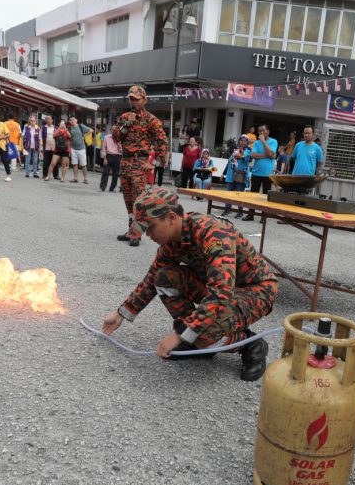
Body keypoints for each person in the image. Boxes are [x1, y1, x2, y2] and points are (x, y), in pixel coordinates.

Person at [101, 187, 277, 382]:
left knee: (201, 330)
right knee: (163, 277)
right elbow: (152, 279)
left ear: (171, 217)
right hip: (219, 290)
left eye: (150, 227)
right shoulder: (170, 241)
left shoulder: (212, 233)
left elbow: (221, 293)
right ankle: (200, 341)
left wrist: (181, 334)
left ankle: (250, 343)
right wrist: (121, 313)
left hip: (256, 290)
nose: (147, 235)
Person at [112, 85, 168, 247]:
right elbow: (116, 138)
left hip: (139, 163)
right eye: (131, 98)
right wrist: (126, 126)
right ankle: (131, 230)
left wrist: (155, 163)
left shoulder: (151, 120)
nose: (133, 102)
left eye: (136, 99)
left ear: (145, 100)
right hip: (125, 162)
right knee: (128, 199)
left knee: (139, 200)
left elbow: (162, 142)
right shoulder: (124, 117)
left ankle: (136, 233)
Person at [243, 124, 277, 221]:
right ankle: (251, 214)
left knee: (266, 195)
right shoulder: (256, 143)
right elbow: (253, 155)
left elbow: (271, 153)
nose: (261, 133)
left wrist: (263, 141)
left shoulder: (273, 141)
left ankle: (264, 216)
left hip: (268, 173)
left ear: (268, 131)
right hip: (256, 172)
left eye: (263, 130)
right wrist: (267, 155)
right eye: (260, 131)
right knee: (253, 195)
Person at [222, 135, 251, 217]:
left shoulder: (248, 151)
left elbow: (244, 157)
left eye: (245, 141)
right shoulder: (235, 150)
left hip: (241, 175)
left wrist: (240, 155)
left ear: (247, 143)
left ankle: (240, 212)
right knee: (229, 193)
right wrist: (223, 173)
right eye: (241, 140)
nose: (242, 142)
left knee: (239, 194)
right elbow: (230, 161)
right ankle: (227, 210)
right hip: (231, 174)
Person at [66, 116, 92, 183]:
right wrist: (65, 130)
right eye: (70, 120)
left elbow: (91, 130)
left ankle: (85, 179)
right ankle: (75, 178)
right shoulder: (69, 128)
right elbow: (70, 137)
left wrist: (85, 135)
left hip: (81, 148)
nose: (72, 121)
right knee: (75, 164)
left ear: (76, 120)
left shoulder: (81, 126)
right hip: (73, 148)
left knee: (83, 164)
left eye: (73, 120)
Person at [41, 115, 57, 180]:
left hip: (54, 146)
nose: (48, 120)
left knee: (54, 161)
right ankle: (45, 174)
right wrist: (41, 146)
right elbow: (40, 137)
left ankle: (56, 175)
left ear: (52, 120)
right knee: (46, 161)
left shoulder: (55, 128)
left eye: (49, 119)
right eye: (47, 119)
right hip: (46, 146)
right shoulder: (43, 127)